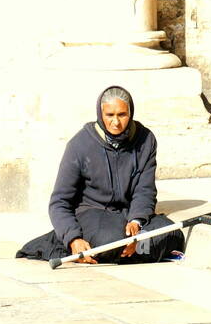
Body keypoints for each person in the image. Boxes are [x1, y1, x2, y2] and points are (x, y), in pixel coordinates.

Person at [16, 85, 182, 265]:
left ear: (131, 113)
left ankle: (129, 249)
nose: (116, 122)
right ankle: (71, 245)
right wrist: (73, 238)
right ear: (100, 114)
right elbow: (59, 202)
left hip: (126, 216)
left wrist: (137, 222)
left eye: (122, 115)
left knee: (172, 234)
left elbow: (145, 191)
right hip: (92, 214)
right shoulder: (79, 145)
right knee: (112, 242)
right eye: (110, 115)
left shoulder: (146, 139)